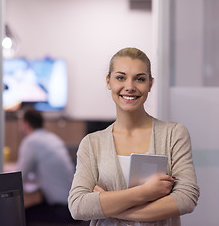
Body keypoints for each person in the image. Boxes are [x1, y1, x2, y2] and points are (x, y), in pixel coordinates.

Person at [68, 47, 199, 225]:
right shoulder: (92, 143)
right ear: (108, 82)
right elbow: (78, 206)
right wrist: (145, 193)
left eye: (140, 79)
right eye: (120, 77)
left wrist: (107, 203)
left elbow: (186, 199)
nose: (129, 87)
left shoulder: (174, 134)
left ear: (150, 84)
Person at [17, 108, 77, 225]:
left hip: (62, 210)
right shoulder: (52, 138)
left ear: (25, 124)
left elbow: (19, 178)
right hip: (73, 205)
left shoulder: (31, 142)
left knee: (21, 215)